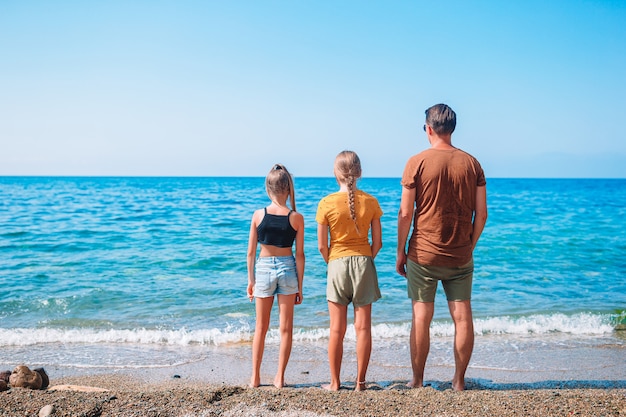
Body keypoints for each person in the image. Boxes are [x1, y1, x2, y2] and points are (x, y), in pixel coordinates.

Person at [396, 104, 488, 391]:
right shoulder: (472, 163)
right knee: (462, 317)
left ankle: (417, 380)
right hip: (460, 253)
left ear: (429, 128)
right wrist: (469, 245)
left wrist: (401, 252)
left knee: (421, 316)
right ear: (453, 128)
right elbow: (482, 214)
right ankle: (458, 381)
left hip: (423, 253)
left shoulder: (416, 162)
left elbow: (405, 213)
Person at [316, 150, 383, 391]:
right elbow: (378, 243)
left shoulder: (325, 203)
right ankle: (360, 383)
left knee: (336, 328)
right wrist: (365, 259)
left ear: (336, 174)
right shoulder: (371, 202)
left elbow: (322, 245)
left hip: (336, 264)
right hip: (364, 262)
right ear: (360, 173)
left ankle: (334, 383)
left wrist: (333, 261)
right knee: (363, 327)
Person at [247, 164, 305, 388]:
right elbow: (300, 255)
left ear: (268, 189)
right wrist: (300, 285)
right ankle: (280, 377)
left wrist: (250, 280)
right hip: (288, 269)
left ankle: (255, 377)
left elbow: (251, 252)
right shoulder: (296, 217)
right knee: (286, 328)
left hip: (263, 269)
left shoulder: (258, 214)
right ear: (288, 189)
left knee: (261, 327)